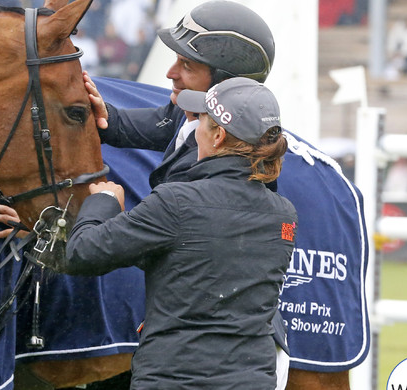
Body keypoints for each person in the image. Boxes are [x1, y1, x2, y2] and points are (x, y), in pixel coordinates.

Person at [84, 1, 369, 388]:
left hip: (197, 361)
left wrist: (99, 207)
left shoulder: (194, 182)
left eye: (186, 65)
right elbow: (167, 124)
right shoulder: (219, 135)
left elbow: (112, 248)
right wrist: (108, 118)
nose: (170, 73)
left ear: (219, 99)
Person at [57, 77, 297, 389]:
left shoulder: (176, 202)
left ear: (218, 136)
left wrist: (102, 205)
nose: (194, 130)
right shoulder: (284, 213)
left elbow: (82, 253)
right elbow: (188, 257)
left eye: (201, 121)